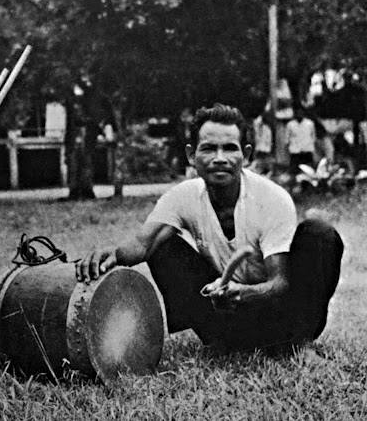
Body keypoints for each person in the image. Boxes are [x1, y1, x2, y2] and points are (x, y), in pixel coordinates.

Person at [76, 104, 343, 352]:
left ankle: (300, 344)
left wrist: (244, 294)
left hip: (280, 316)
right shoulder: (183, 196)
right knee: (164, 245)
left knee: (319, 233)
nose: (219, 158)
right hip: (226, 316)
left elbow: (280, 283)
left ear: (246, 155)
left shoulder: (271, 199)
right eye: (208, 149)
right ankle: (219, 340)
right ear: (192, 155)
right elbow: (144, 244)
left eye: (229, 148)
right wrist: (112, 254)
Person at [287, 108, 316, 175]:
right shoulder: (290, 124)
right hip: (295, 151)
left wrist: (309, 144)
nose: (299, 115)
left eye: (301, 113)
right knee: (294, 171)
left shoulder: (309, 123)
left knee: (309, 171)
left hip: (307, 150)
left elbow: (313, 136)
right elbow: (287, 137)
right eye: (297, 113)